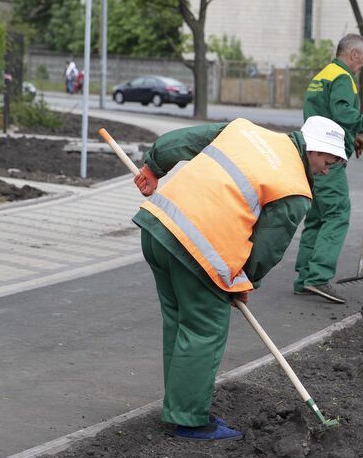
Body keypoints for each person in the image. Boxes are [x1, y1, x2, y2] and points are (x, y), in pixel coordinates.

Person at [131, 115, 348, 440]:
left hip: (158, 225)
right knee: (203, 329)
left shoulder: (244, 130)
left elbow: (181, 141)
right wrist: (244, 279)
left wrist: (152, 166)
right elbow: (267, 248)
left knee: (179, 322)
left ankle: (178, 408)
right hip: (198, 248)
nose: (326, 170)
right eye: (328, 161)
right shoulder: (295, 188)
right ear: (314, 151)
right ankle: (190, 421)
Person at [293, 33, 363, 304]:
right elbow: (341, 111)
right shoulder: (343, 77)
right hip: (327, 159)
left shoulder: (323, 75)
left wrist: (350, 137)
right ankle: (318, 278)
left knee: (316, 217)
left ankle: (304, 278)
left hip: (310, 154)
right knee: (337, 213)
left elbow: (325, 114)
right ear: (353, 55)